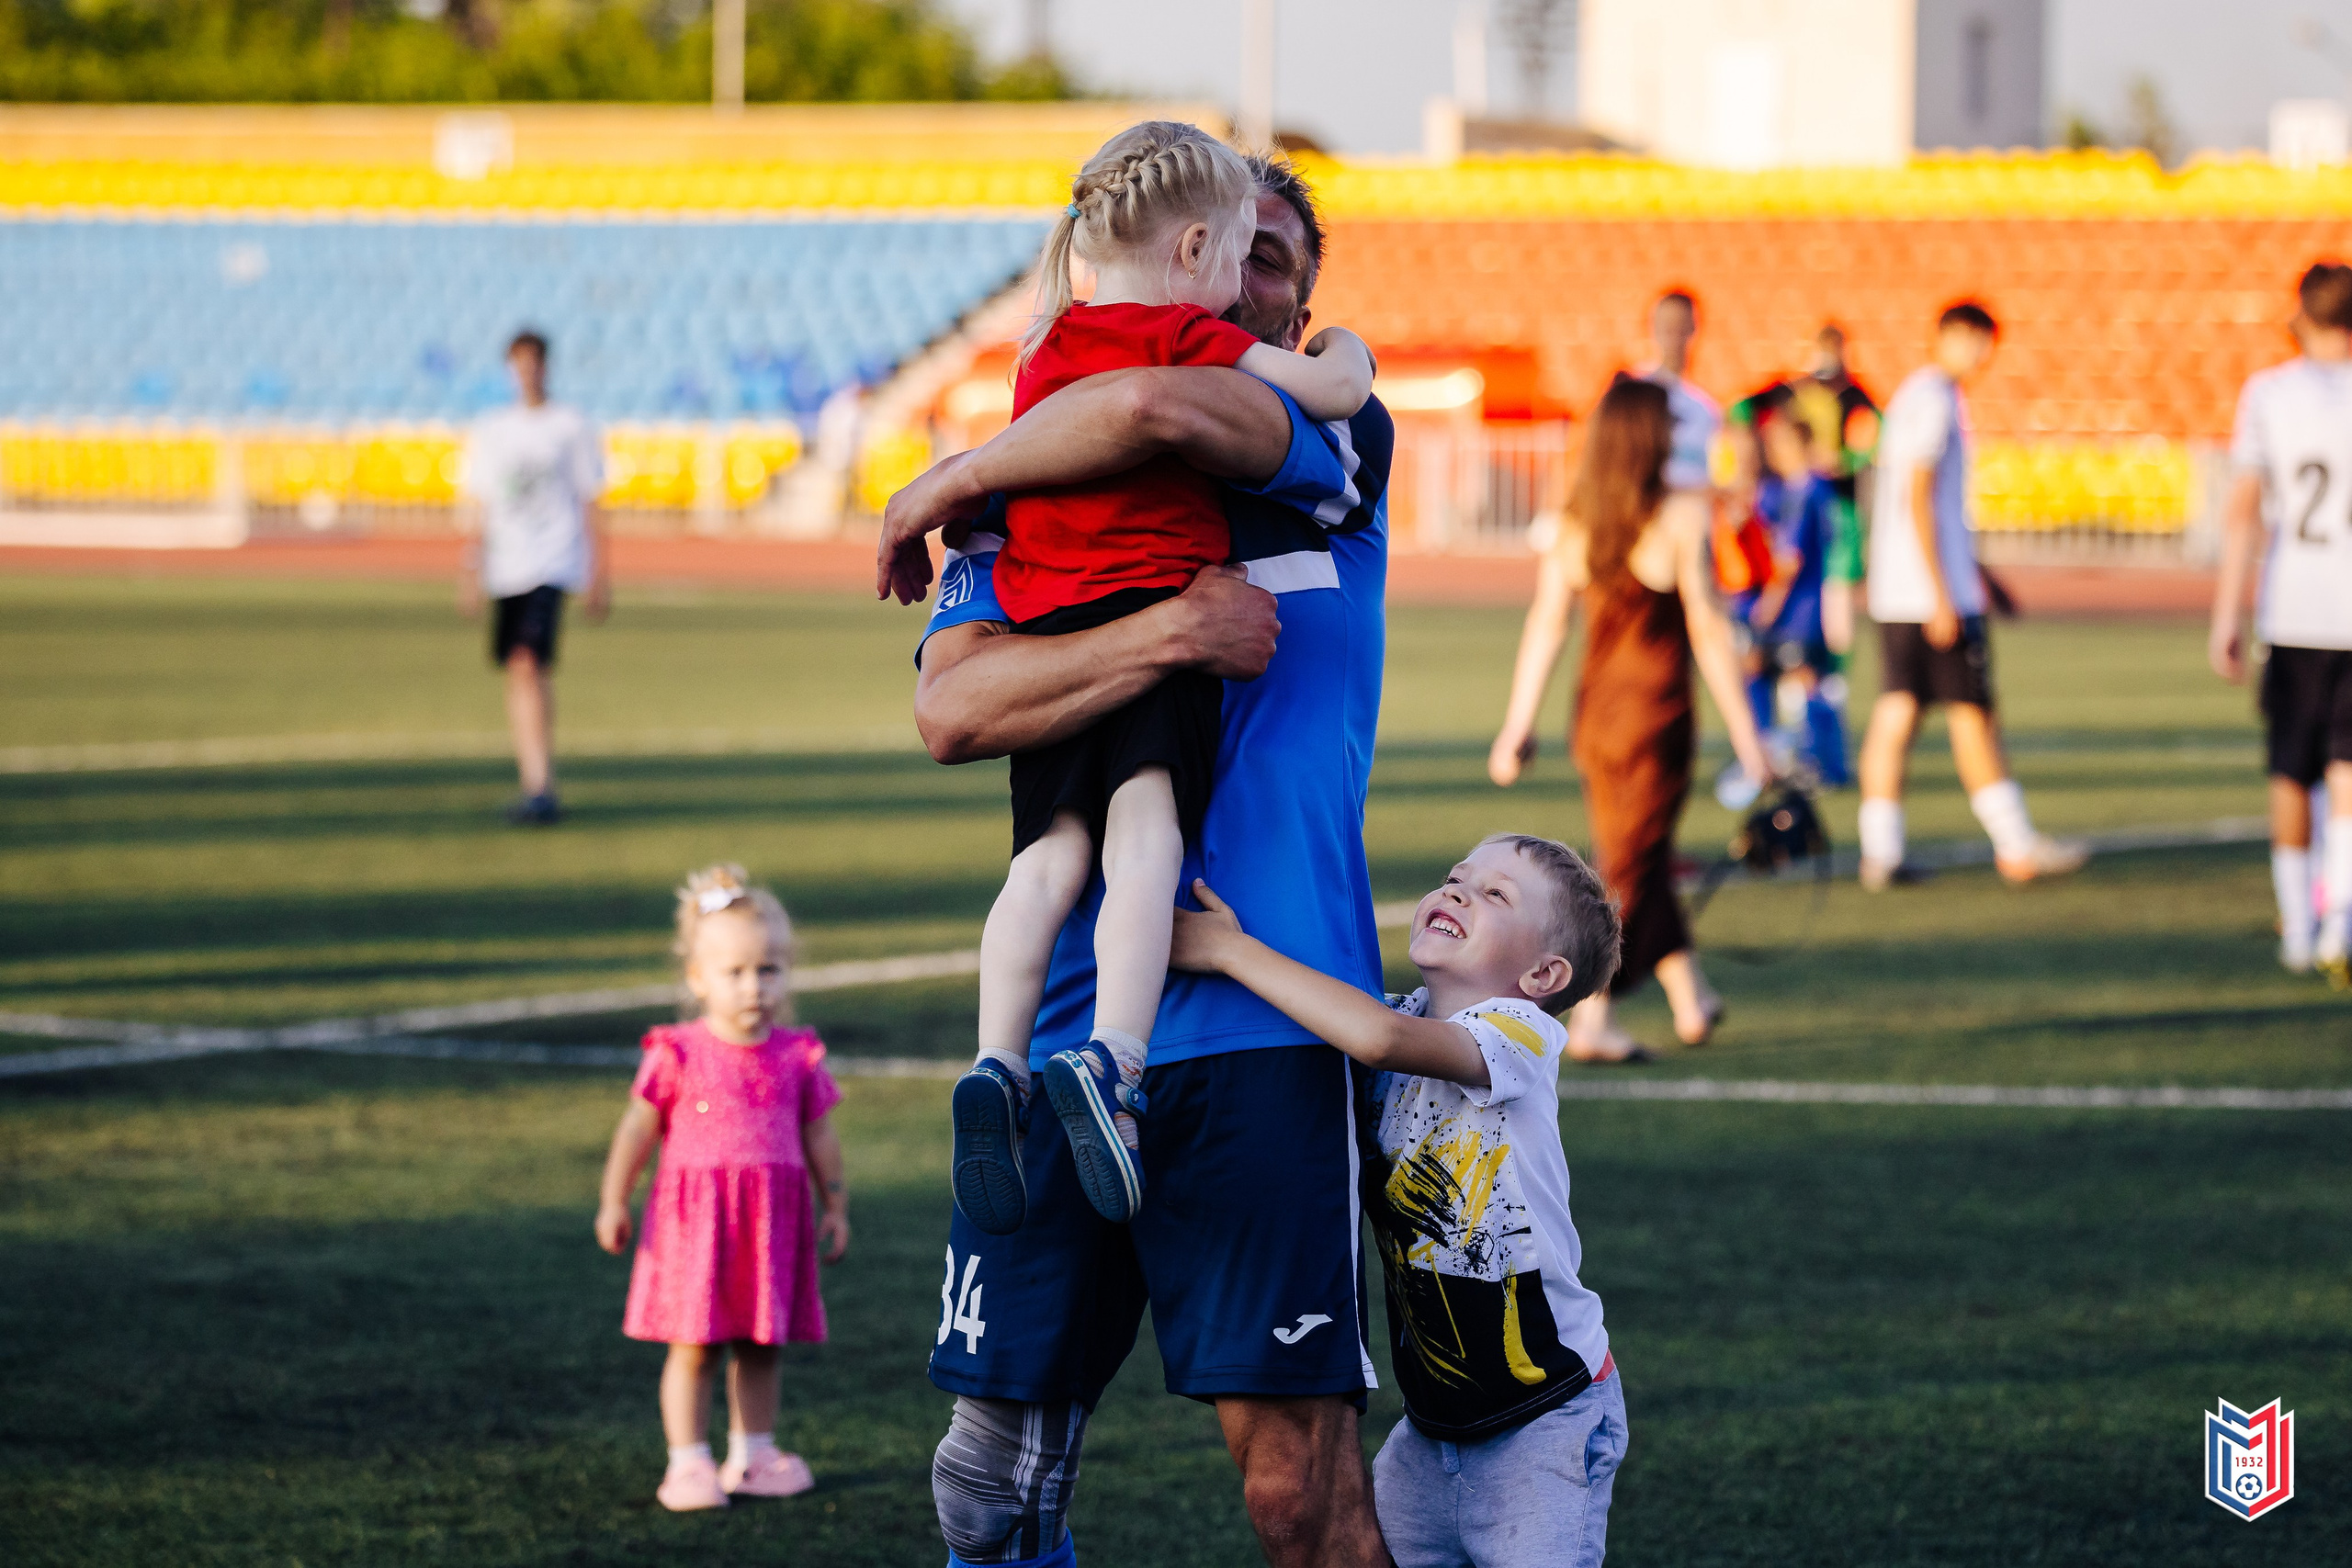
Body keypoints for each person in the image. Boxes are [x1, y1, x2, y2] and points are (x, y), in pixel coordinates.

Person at [879, 154, 1396, 1568]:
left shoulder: (1324, 447)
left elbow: (1164, 398)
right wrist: (1166, 635)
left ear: (1290, 307)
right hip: (1063, 1035)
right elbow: (951, 708)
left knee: (1295, 1490)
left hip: (1265, 1020)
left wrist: (960, 467)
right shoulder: (1041, 491)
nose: (1240, 277)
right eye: (1228, 248)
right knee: (986, 1482)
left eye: (1274, 259)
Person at [1169, 834, 1628, 1568]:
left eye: (1495, 895)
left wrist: (1228, 951)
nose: (1457, 892)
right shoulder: (1396, 1015)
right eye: (1455, 877)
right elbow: (1336, 1019)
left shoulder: (1520, 1034)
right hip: (1431, 1433)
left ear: (1543, 973)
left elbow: (1379, 1038)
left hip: (1545, 1419)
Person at [1487, 377, 1774, 1062]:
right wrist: (1751, 741)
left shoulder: (1576, 517)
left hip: (1596, 718)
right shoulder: (1680, 516)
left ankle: (1690, 998)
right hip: (1656, 715)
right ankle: (1591, 1019)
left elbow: (1547, 624)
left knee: (1634, 852)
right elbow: (1706, 630)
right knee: (1629, 867)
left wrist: (1517, 725)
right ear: (1650, 436)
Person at [594, 864, 850, 1511]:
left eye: (768, 969)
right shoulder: (676, 1050)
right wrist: (613, 1198)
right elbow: (637, 1129)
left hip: (772, 1223)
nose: (754, 987)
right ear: (697, 977)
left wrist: (836, 1203)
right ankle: (688, 1461)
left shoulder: (798, 1054)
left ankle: (755, 1451)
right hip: (696, 1227)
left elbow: (820, 1136)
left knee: (762, 1343)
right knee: (694, 1345)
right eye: (734, 972)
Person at [1855, 302, 2086, 890]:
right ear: (1945, 337)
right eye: (1971, 338)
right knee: (1973, 715)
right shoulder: (1933, 399)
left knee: (1898, 712)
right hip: (1930, 592)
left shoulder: (1913, 396)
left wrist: (1978, 572)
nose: (1980, 352)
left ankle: (1880, 850)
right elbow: (1919, 496)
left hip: (1900, 591)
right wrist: (1943, 591)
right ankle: (2016, 844)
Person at [2209, 261, 2352, 981]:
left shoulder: (2269, 392)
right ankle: (2340, 921)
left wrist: (2226, 613)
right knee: (2351, 770)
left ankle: (2298, 925)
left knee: (2291, 772)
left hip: (2294, 606)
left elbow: (2243, 511)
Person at [457, 330, 609, 827]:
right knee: (521, 672)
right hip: (507, 566)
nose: (527, 372)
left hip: (553, 561)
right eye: (518, 364)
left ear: (546, 366)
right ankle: (534, 779)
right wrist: (470, 569)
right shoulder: (493, 429)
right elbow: (482, 505)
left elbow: (590, 499)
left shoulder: (570, 426)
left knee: (527, 663)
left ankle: (541, 784)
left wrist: (598, 571)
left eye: (534, 363)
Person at [1730, 323, 1881, 656]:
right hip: (1797, 496)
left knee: (1834, 593)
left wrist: (1846, 461)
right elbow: (1741, 409)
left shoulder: (1854, 395)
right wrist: (1753, 459)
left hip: (1838, 503)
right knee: (1795, 584)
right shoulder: (1796, 389)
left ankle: (1828, 673)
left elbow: (1878, 433)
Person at [1739, 403, 1851, 787]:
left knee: (1805, 681)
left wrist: (1769, 604)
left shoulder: (1809, 489)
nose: (1773, 450)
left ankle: (1829, 764)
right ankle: (1774, 755)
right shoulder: (1791, 488)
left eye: (1779, 442)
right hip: (1794, 609)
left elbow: (1791, 558)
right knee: (1756, 671)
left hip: (1799, 611)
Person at [1641, 289, 1721, 497]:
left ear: (1694, 328)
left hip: (1692, 519)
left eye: (1680, 326)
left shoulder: (1707, 408)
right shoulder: (1634, 397)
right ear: (1653, 328)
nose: (1674, 335)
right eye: (1666, 326)